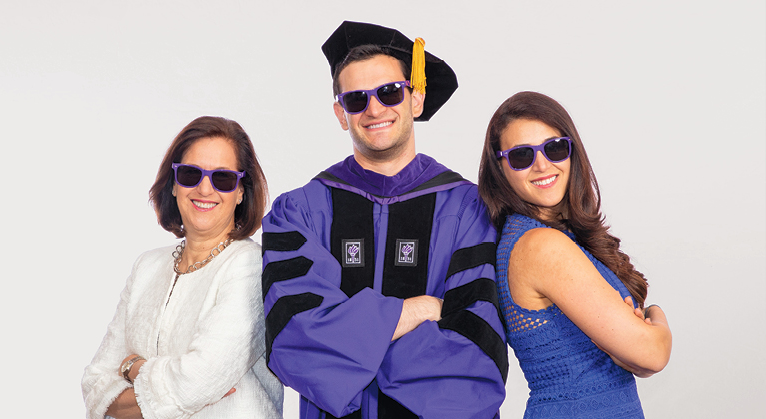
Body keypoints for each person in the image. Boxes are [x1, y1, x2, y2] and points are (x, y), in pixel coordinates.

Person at [261, 21, 507, 419]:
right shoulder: (298, 214)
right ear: (341, 114)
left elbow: (476, 360)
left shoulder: (470, 210)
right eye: (356, 99)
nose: (374, 108)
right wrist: (415, 311)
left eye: (390, 92)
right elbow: (294, 342)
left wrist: (350, 349)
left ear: (416, 98)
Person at [478, 91, 672, 418]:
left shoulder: (556, 237)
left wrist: (635, 348)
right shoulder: (540, 246)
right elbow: (652, 355)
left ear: (571, 151)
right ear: (500, 168)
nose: (542, 165)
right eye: (522, 156)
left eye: (554, 148)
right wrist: (657, 317)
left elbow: (641, 364)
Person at [82, 116, 283, 419]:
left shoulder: (251, 266)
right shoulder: (147, 266)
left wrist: (132, 367)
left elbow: (196, 382)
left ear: (241, 191)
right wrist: (179, 390)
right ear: (174, 185)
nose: (205, 189)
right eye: (190, 174)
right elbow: (94, 385)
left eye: (223, 178)